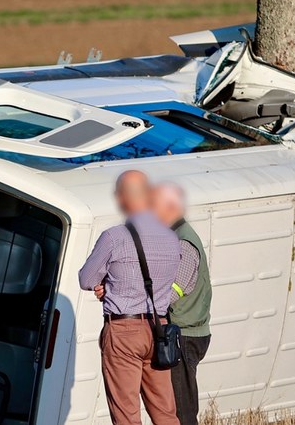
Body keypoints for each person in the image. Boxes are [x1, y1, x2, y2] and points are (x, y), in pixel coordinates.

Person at [78, 170, 199, 425]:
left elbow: (86, 279)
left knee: (126, 414)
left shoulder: (114, 237)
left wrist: (107, 286)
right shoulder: (171, 238)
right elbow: (177, 282)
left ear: (123, 199)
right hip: (159, 330)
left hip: (123, 330)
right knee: (165, 412)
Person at [152, 183, 212, 425]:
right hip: (184, 333)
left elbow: (174, 290)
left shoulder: (185, 243)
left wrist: (137, 301)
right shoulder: (177, 237)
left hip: (183, 335)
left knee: (182, 410)